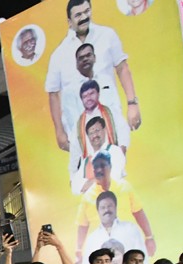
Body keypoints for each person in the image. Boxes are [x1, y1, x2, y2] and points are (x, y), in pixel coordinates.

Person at [46, 2, 138, 155]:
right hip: (79, 133)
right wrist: (59, 131)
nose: (84, 17)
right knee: (87, 175)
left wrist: (132, 103)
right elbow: (53, 94)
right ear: (69, 22)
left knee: (118, 168)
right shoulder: (59, 55)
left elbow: (122, 68)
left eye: (86, 11)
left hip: (111, 122)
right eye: (78, 15)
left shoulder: (107, 35)